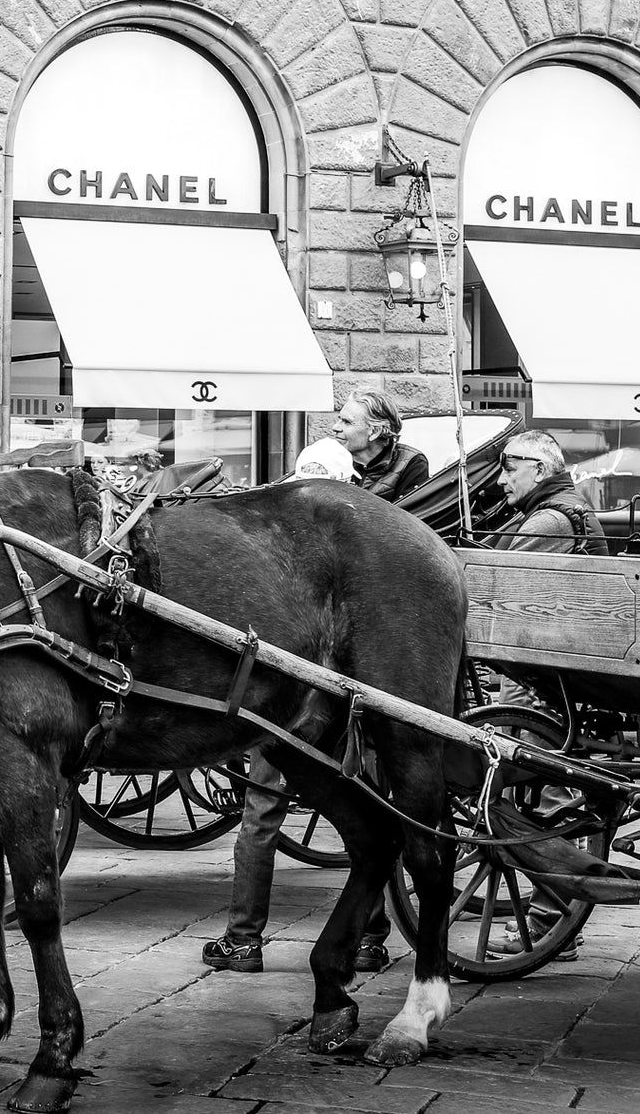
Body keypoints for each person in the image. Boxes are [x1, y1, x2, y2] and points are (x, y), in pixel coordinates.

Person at [204, 419, 426, 977]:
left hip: (279, 694)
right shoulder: (362, 533)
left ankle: (243, 939)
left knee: (261, 813)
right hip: (350, 691)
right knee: (371, 799)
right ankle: (371, 937)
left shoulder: (267, 540)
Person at [497, 429, 609, 555]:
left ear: (539, 471)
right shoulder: (559, 507)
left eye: (509, 469)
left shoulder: (549, 520)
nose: (500, 481)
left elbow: (501, 574)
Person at [333, 389, 429, 500]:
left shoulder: (410, 463)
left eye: (347, 422)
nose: (335, 427)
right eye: (339, 419)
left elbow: (407, 515)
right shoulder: (329, 459)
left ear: (375, 431)